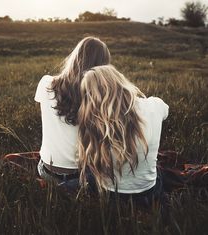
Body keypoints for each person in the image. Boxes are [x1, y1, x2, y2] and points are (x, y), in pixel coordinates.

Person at [77, 64, 169, 206]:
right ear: (121, 81)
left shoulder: (91, 119)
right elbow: (166, 111)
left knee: (87, 174)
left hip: (109, 195)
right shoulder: (154, 105)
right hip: (149, 192)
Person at [34, 37, 111, 191]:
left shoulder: (46, 83)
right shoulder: (102, 97)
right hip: (82, 176)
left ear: (75, 58)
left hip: (46, 172)